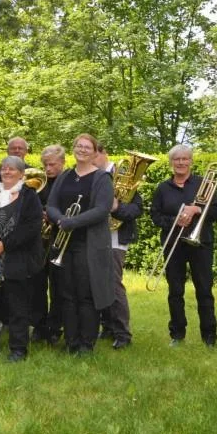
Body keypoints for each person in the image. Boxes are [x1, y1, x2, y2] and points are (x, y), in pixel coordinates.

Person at [45, 134, 114, 355]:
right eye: (78, 146)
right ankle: (71, 341)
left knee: (86, 295)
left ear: (95, 153)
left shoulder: (102, 178)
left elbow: (102, 210)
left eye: (87, 147)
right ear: (73, 150)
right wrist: (59, 220)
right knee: (66, 294)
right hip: (63, 244)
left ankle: (86, 343)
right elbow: (52, 204)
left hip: (88, 245)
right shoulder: (65, 176)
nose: (82, 150)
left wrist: (72, 221)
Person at [0, 156, 45, 361]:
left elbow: (31, 228)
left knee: (17, 307)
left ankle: (18, 349)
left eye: (12, 169)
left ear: (21, 174)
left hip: (16, 259)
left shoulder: (29, 196)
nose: (6, 172)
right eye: (4, 168)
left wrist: (4, 245)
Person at [150, 144, 217, 347]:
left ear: (191, 161)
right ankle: (177, 334)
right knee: (175, 291)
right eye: (176, 159)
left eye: (185, 159)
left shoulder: (203, 184)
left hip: (201, 244)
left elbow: (216, 212)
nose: (181, 162)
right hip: (174, 243)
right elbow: (155, 215)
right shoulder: (163, 188)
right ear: (171, 162)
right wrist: (175, 220)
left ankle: (209, 337)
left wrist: (196, 210)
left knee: (204, 290)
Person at [95, 144, 143, 350]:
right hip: (95, 236)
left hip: (115, 238)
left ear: (104, 153)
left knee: (114, 285)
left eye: (94, 154)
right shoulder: (92, 175)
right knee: (97, 284)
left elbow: (136, 210)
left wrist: (116, 207)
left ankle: (123, 333)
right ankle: (107, 326)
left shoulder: (123, 174)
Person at [30, 144, 68, 345]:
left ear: (63, 162)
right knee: (37, 284)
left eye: (52, 164)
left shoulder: (68, 181)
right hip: (39, 240)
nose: (48, 168)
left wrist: (54, 215)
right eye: (45, 164)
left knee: (58, 285)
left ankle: (55, 326)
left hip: (59, 239)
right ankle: (39, 325)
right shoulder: (38, 181)